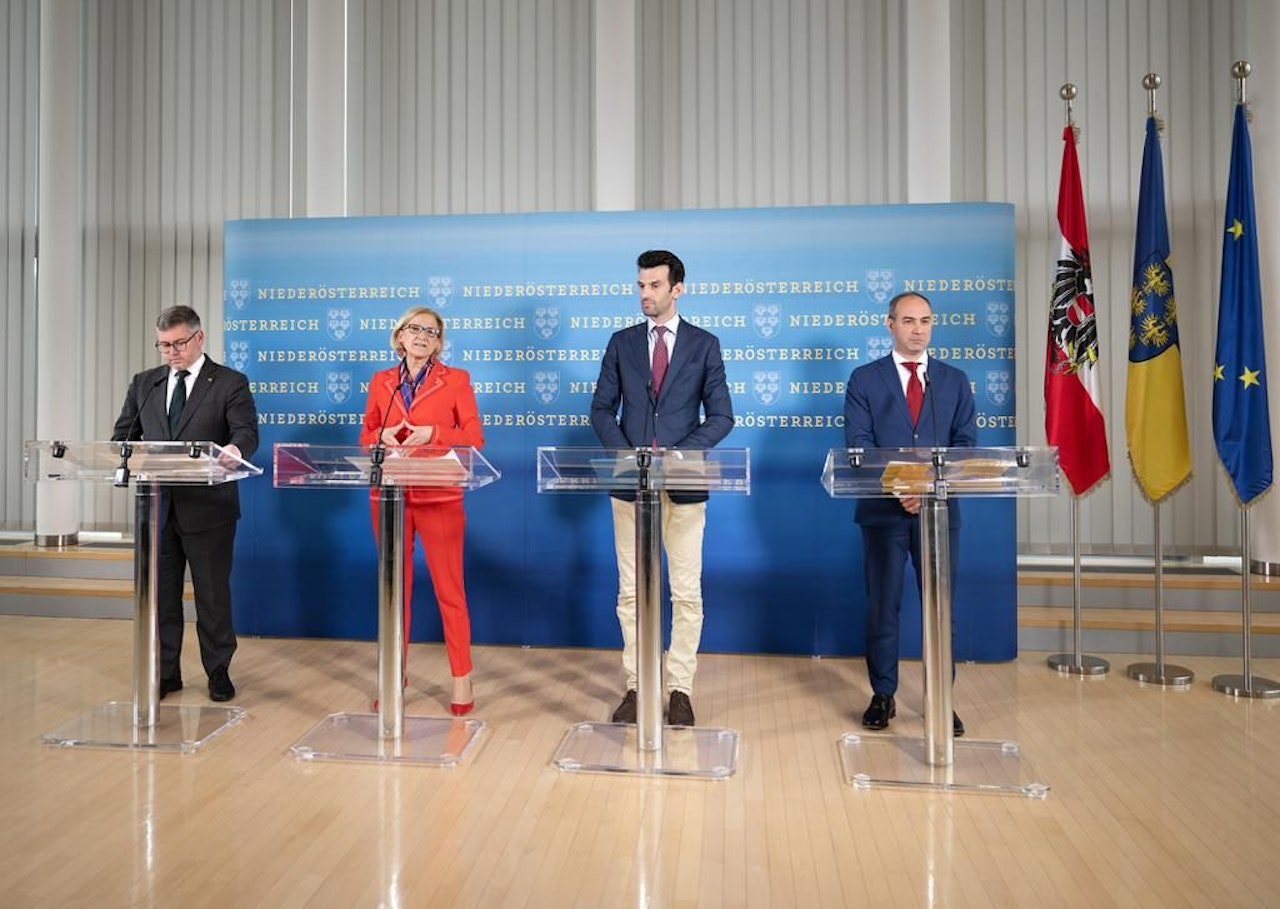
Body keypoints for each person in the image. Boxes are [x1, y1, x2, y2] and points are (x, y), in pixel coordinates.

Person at [589, 249, 734, 727]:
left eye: (654, 285)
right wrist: (629, 457)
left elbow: (722, 417)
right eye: (641, 285)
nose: (645, 294)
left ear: (677, 289)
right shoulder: (622, 343)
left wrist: (677, 455)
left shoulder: (704, 344)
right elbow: (601, 410)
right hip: (630, 484)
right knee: (631, 593)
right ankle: (637, 685)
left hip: (685, 481)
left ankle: (680, 689)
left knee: (686, 593)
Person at [842, 291, 977, 735]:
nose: (918, 329)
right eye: (908, 321)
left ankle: (940, 698)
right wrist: (903, 486)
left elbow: (965, 446)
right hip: (883, 512)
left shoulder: (953, 380)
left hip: (939, 513)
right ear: (890, 325)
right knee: (883, 606)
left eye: (925, 321)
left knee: (941, 609)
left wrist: (927, 487)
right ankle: (883, 695)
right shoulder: (865, 379)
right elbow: (859, 445)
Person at [111, 305, 259, 702]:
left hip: (209, 508)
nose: (171, 352)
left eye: (178, 343)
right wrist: (127, 453)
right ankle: (166, 673)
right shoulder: (145, 383)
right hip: (157, 507)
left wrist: (233, 450)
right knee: (162, 597)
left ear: (199, 337)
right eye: (164, 345)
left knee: (212, 596)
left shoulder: (229, 382)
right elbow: (123, 437)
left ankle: (218, 671)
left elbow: (246, 432)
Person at [359, 306, 484, 715]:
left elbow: (474, 437)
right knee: (395, 590)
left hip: (439, 495)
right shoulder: (382, 381)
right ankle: (394, 673)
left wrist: (433, 433)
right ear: (400, 336)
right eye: (414, 329)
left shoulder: (457, 379)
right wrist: (381, 435)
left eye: (431, 332)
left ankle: (462, 677)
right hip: (390, 495)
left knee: (450, 590)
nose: (421, 336)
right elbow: (366, 435)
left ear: (438, 343)